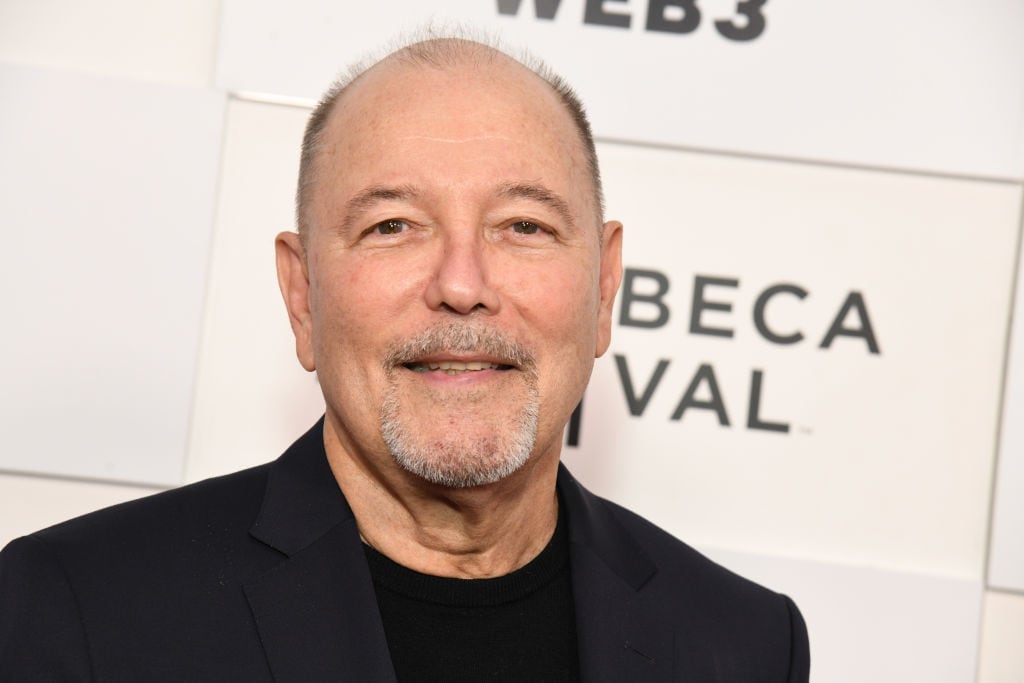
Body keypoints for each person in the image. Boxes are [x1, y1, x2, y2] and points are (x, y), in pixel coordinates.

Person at [0, 35, 809, 681]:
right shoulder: (79, 613)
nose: (463, 284)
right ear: (303, 294)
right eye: (392, 225)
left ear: (604, 288)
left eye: (523, 225)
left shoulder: (742, 644)